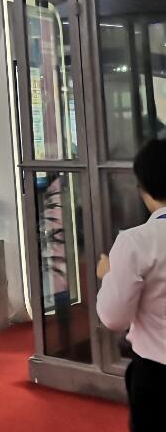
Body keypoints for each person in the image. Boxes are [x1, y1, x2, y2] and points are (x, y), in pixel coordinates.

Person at [96, 138, 166, 432]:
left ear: (144, 190)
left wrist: (108, 275)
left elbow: (113, 318)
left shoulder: (136, 242)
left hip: (157, 376)